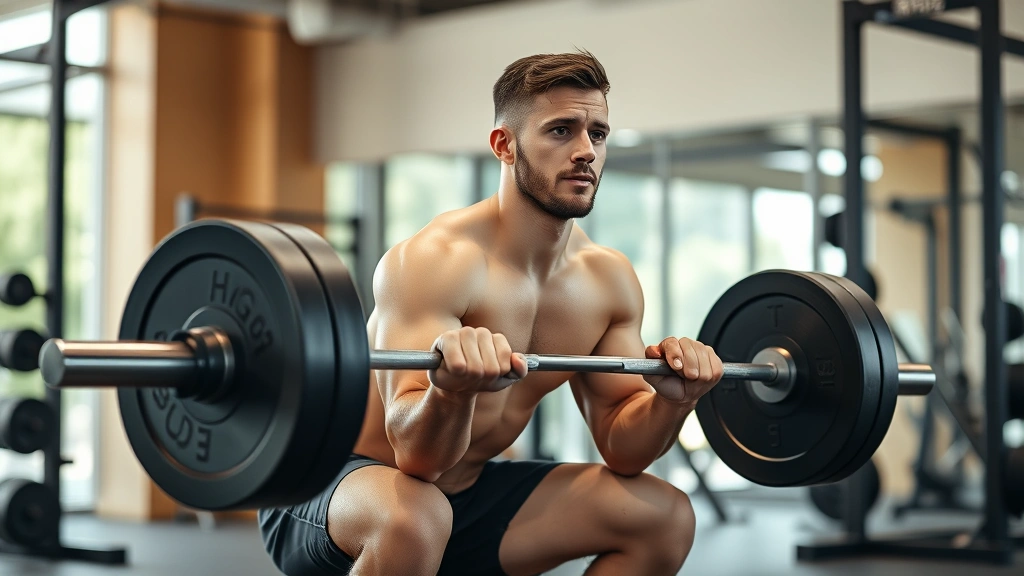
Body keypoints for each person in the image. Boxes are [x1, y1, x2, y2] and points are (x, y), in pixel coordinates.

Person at [258, 50, 724, 576]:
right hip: (336, 489)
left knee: (663, 515)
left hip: (465, 501)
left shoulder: (606, 280)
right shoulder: (436, 261)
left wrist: (672, 403)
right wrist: (450, 390)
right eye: (560, 131)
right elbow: (417, 459)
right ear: (504, 144)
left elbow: (623, 447)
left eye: (597, 133)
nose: (585, 151)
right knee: (415, 515)